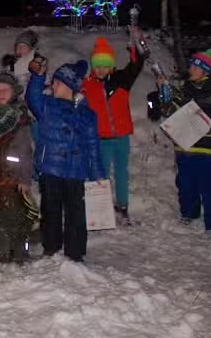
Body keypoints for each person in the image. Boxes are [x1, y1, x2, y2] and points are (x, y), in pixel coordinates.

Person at [26, 57, 106, 262]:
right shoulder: (46, 105)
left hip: (75, 171)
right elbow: (32, 96)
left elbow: (93, 145)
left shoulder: (87, 114)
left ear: (67, 85)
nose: (52, 85)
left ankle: (75, 252)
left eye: (56, 82)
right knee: (50, 211)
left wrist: (98, 173)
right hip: (51, 169)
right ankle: (51, 247)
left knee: (76, 213)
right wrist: (38, 76)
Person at [158, 49, 211, 238]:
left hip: (207, 147)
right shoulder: (184, 90)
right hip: (184, 145)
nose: (190, 69)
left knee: (208, 186)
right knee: (185, 183)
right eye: (191, 65)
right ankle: (189, 214)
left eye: (195, 66)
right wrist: (164, 93)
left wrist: (203, 112)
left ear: (205, 70)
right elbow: (169, 110)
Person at [81, 32, 146, 224]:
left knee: (121, 172)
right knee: (101, 174)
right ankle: (100, 209)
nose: (101, 69)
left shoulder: (121, 80)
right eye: (98, 66)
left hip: (121, 137)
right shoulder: (88, 86)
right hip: (101, 138)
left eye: (105, 65)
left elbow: (135, 65)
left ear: (111, 66)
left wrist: (135, 46)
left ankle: (122, 206)